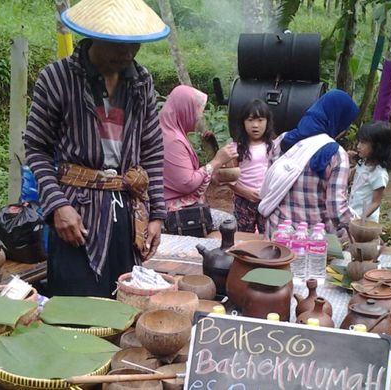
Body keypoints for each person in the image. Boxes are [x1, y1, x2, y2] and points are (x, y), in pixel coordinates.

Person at [23, 0, 170, 297]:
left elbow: (152, 150)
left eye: (134, 45)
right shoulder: (57, 79)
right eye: (117, 45)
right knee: (76, 311)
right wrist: (57, 205)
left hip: (128, 214)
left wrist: (156, 215)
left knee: (125, 303)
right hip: (76, 214)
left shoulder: (141, 83)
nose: (127, 54)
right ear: (94, 37)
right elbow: (36, 148)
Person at [258, 90, 358, 236]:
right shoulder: (336, 154)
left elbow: (269, 185)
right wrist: (359, 226)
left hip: (277, 236)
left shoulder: (283, 140)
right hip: (313, 241)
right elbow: (337, 210)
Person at [161, 85, 238, 234]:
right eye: (196, 112)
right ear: (184, 110)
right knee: (229, 222)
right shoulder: (172, 141)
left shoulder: (169, 131)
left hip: (174, 204)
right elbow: (187, 183)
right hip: (174, 211)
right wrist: (217, 161)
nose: (198, 117)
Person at [228, 99, 274, 234]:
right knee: (242, 236)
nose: (255, 125)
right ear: (243, 122)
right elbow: (229, 180)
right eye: (250, 120)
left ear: (267, 122)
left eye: (260, 120)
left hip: (267, 199)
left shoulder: (274, 146)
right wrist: (245, 192)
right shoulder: (235, 148)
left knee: (267, 236)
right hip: (243, 200)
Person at [348, 121, 391, 223]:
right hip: (353, 212)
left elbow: (375, 202)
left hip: (365, 220)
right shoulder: (362, 163)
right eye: (359, 142)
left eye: (363, 143)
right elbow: (350, 178)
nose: (358, 146)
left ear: (378, 146)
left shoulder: (379, 174)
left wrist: (361, 219)